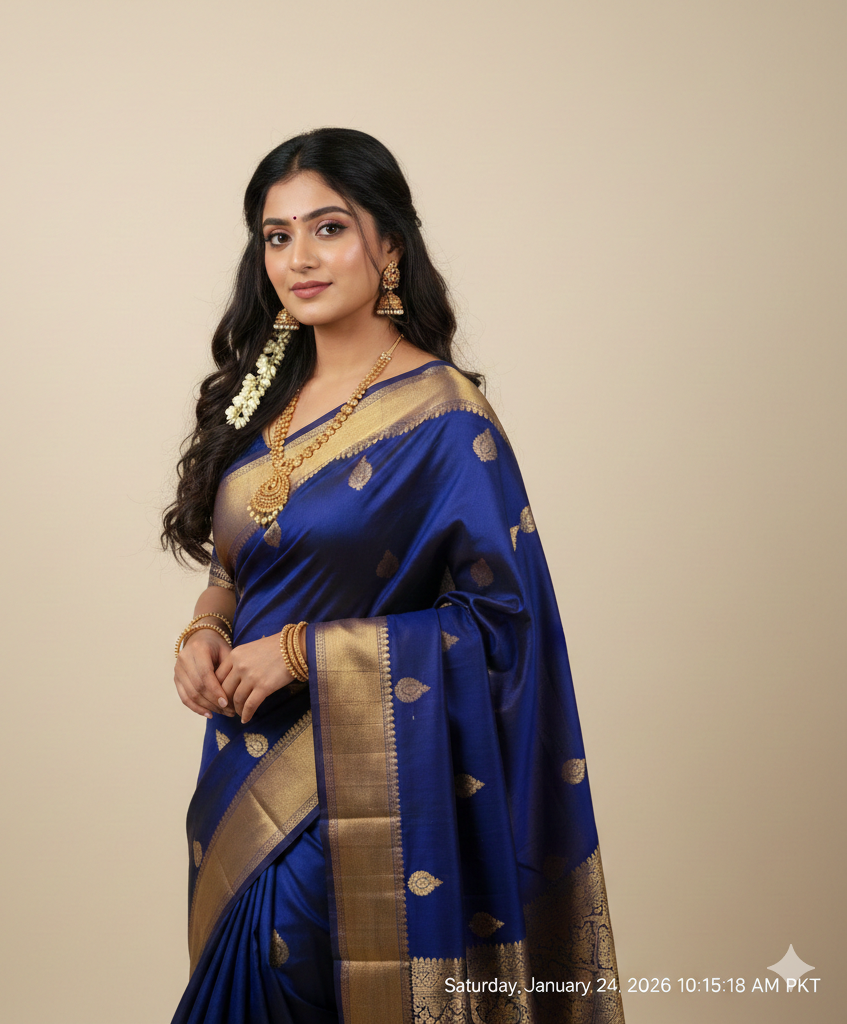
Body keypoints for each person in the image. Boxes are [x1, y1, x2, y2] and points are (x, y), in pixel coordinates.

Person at [161, 127, 624, 1024]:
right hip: (236, 779)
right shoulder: (261, 404)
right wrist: (205, 631)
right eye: (277, 236)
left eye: (328, 228)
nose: (299, 257)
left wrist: (300, 653)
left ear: (390, 246)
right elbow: (232, 564)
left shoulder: (446, 418)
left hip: (352, 802)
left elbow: (502, 628)